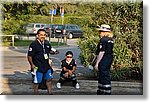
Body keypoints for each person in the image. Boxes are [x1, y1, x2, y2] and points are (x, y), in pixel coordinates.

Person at [27, 29, 59, 95]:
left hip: (46, 65)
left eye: (44, 35)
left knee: (49, 79)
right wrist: (32, 65)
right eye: (41, 35)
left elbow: (49, 50)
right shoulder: (34, 44)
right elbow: (29, 56)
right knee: (37, 81)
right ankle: (35, 94)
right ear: (37, 35)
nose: (43, 36)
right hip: (37, 66)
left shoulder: (46, 43)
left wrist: (55, 52)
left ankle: (49, 93)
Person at [95, 24, 114, 95]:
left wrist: (97, 63)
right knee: (106, 74)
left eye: (101, 32)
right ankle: (103, 90)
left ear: (104, 32)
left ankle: (104, 91)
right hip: (109, 58)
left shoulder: (103, 40)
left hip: (104, 59)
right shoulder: (110, 40)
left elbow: (101, 52)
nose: (99, 33)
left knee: (103, 75)